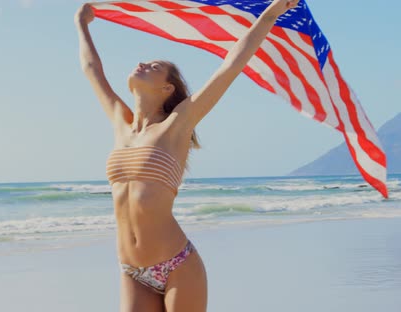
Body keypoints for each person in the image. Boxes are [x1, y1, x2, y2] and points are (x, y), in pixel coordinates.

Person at [75, 1, 299, 311]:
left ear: (167, 88)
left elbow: (231, 66)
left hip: (177, 265)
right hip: (131, 271)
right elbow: (91, 70)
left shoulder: (178, 123)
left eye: (154, 66)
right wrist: (82, 25)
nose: (142, 63)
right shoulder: (120, 122)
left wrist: (271, 14)